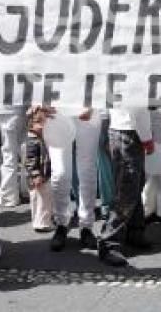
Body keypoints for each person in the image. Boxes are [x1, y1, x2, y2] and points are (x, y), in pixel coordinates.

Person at [98, 107, 154, 267]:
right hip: (128, 130)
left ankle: (134, 230)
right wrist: (147, 138)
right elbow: (139, 108)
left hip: (123, 129)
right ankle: (108, 241)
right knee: (126, 191)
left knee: (134, 184)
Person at [48, 107, 100, 252]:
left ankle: (86, 226)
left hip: (88, 106)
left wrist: (93, 103)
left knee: (87, 171)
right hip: (57, 110)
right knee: (60, 174)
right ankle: (61, 224)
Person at [24, 106, 54, 232]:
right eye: (38, 122)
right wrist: (36, 175)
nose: (42, 125)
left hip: (43, 176)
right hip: (39, 177)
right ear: (31, 125)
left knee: (42, 200)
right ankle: (42, 224)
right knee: (41, 201)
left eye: (43, 122)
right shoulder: (32, 141)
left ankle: (40, 221)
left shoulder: (40, 138)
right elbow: (30, 161)